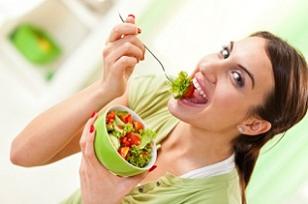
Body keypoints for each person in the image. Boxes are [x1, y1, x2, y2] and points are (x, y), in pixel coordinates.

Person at [10, 14, 308, 204]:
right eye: (224, 52)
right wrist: (105, 89)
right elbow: (23, 153)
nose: (207, 66)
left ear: (253, 125)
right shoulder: (157, 96)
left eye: (237, 77)